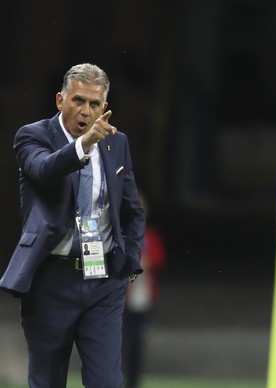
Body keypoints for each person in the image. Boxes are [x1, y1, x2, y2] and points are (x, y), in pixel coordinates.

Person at [0, 63, 145, 388]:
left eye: (94, 104)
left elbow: (132, 210)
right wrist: (83, 145)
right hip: (52, 279)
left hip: (104, 281)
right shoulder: (33, 135)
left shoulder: (116, 143)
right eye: (78, 100)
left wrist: (129, 265)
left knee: (107, 383)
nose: (85, 110)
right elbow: (43, 169)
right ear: (59, 101)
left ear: (104, 108)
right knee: (47, 381)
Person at [122, 191, 166, 388]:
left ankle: (133, 382)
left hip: (143, 297)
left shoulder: (151, 236)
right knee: (120, 343)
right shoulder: (122, 233)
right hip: (123, 298)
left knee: (137, 343)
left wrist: (145, 263)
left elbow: (158, 259)